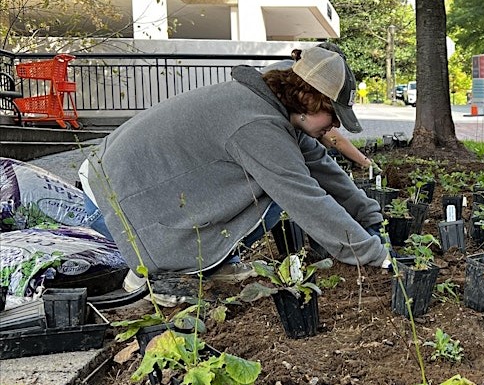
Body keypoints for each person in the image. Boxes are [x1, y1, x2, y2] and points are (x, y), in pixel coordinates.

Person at [80, 43, 392, 290]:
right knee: (271, 194)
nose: (335, 126)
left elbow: (321, 167)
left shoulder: (275, 107)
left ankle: (207, 265)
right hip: (115, 201)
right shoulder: (256, 125)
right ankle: (156, 280)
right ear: (310, 100)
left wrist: (368, 216)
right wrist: (375, 256)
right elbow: (306, 198)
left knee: (271, 194)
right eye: (333, 116)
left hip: (124, 180)